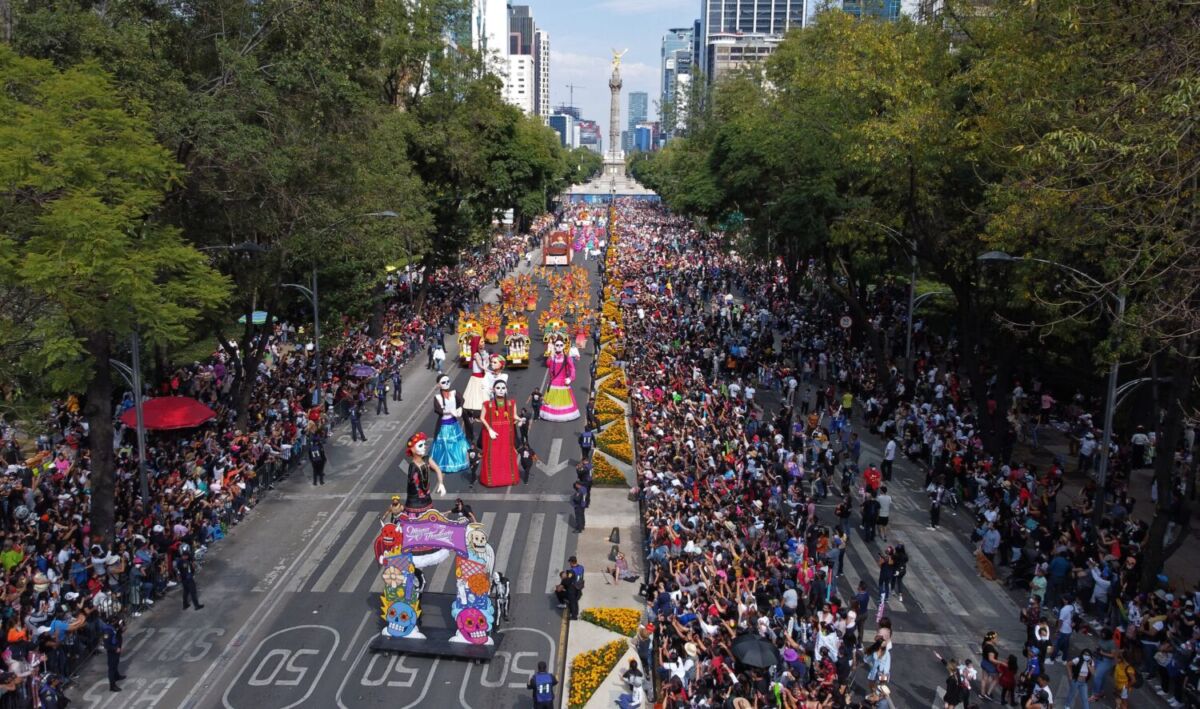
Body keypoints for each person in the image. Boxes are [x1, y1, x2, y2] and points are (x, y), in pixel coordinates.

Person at [480, 377, 524, 487]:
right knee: (492, 455)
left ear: (506, 389)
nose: (501, 390)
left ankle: (508, 478)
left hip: (506, 433)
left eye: (503, 388)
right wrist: (489, 429)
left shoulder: (511, 403)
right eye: (498, 388)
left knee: (506, 454)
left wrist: (520, 419)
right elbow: (482, 418)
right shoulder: (487, 404)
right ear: (493, 389)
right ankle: (492, 480)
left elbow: (514, 415)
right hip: (493, 433)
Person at [430, 375, 470, 474]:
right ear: (439, 385)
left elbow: (462, 400)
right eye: (443, 382)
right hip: (444, 425)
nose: (447, 383)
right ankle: (446, 464)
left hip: (454, 423)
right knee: (445, 444)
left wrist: (459, 408)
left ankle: (459, 461)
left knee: (457, 443)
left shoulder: (454, 392)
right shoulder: (437, 397)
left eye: (448, 381)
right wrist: (450, 412)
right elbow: (438, 410)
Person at [402, 432, 446, 514]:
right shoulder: (412, 467)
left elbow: (437, 469)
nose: (424, 447)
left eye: (424, 444)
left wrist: (441, 483)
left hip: (427, 500)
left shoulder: (426, 459)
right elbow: (413, 483)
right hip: (414, 503)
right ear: (412, 449)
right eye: (420, 445)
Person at [541, 337, 580, 421]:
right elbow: (548, 364)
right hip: (553, 383)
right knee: (553, 400)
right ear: (554, 346)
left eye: (561, 345)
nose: (559, 347)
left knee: (563, 400)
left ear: (563, 346)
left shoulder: (567, 358)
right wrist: (550, 355)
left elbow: (572, 368)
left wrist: (571, 378)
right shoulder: (553, 357)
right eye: (557, 345)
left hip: (563, 382)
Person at [100, 616, 125, 692]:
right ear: (112, 622)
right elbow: (106, 645)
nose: (117, 622)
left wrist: (121, 628)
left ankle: (116, 676)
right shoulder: (107, 631)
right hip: (112, 651)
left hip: (117, 647)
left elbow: (118, 633)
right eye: (116, 621)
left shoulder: (114, 627)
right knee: (112, 668)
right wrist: (115, 648)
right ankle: (112, 686)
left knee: (116, 662)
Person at [175, 545, 203, 610]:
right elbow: (186, 571)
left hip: (184, 579)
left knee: (186, 592)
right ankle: (196, 605)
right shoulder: (183, 562)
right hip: (188, 579)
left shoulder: (180, 561)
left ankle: (185, 605)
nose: (188, 557)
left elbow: (178, 571)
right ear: (184, 556)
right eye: (187, 556)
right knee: (193, 592)